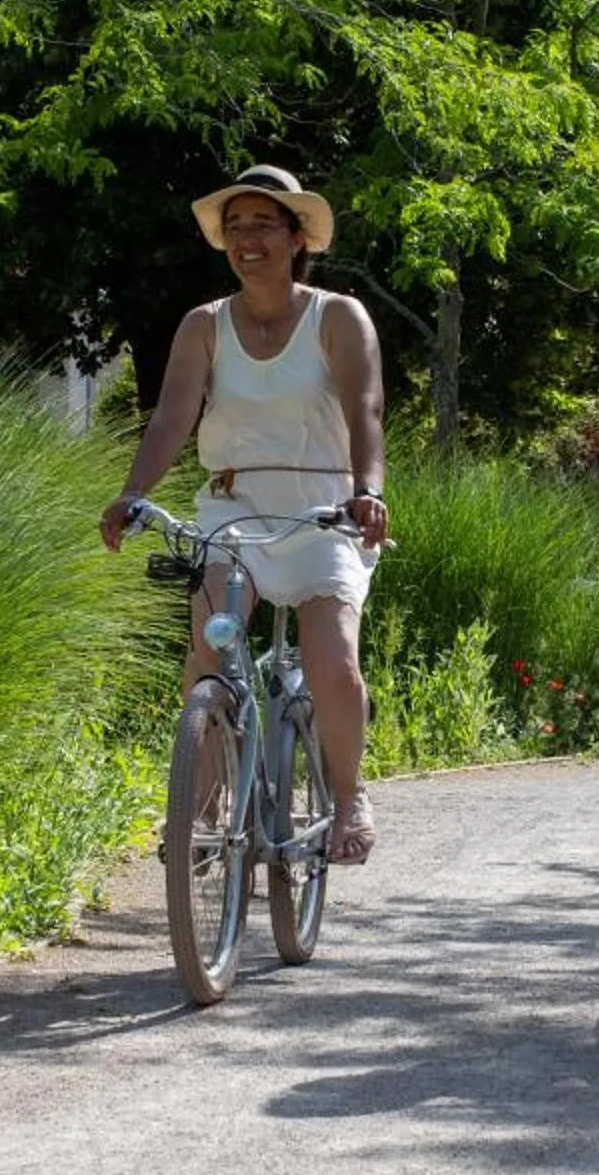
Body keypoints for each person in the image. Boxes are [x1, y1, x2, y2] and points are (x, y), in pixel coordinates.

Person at [100, 166, 391, 863]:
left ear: (297, 238)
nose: (247, 240)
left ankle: (349, 795)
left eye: (263, 225)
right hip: (231, 507)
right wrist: (133, 491)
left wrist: (369, 489)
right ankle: (201, 810)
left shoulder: (337, 317)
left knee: (332, 660)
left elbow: (366, 411)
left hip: (323, 508)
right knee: (207, 652)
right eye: (235, 228)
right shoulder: (205, 325)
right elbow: (173, 417)